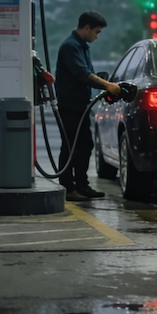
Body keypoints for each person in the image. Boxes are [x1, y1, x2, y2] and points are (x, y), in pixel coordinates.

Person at [54, 11, 122, 202]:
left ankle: (82, 186)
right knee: (71, 147)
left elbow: (88, 73)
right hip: (69, 106)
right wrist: (107, 85)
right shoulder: (71, 46)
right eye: (96, 32)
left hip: (80, 106)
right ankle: (68, 188)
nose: (97, 36)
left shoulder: (82, 46)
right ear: (86, 28)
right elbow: (82, 73)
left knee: (84, 145)